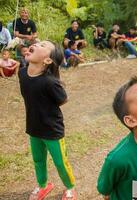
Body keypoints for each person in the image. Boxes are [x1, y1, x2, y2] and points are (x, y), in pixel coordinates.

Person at [18, 41, 77, 200]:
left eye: (43, 45)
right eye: (38, 42)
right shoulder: (22, 73)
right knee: (38, 160)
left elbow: (63, 99)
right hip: (33, 127)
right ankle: (43, 185)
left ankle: (70, 188)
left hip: (52, 130)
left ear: (48, 61)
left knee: (60, 163)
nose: (36, 44)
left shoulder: (50, 82)